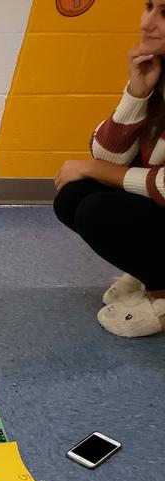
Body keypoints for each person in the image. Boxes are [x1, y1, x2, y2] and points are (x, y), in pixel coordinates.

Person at [53, 0, 165, 337]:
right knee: (74, 197)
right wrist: (137, 94)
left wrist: (92, 168)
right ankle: (152, 274)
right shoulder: (158, 71)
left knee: (99, 210)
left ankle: (162, 294)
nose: (146, 23)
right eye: (149, 6)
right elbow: (107, 154)